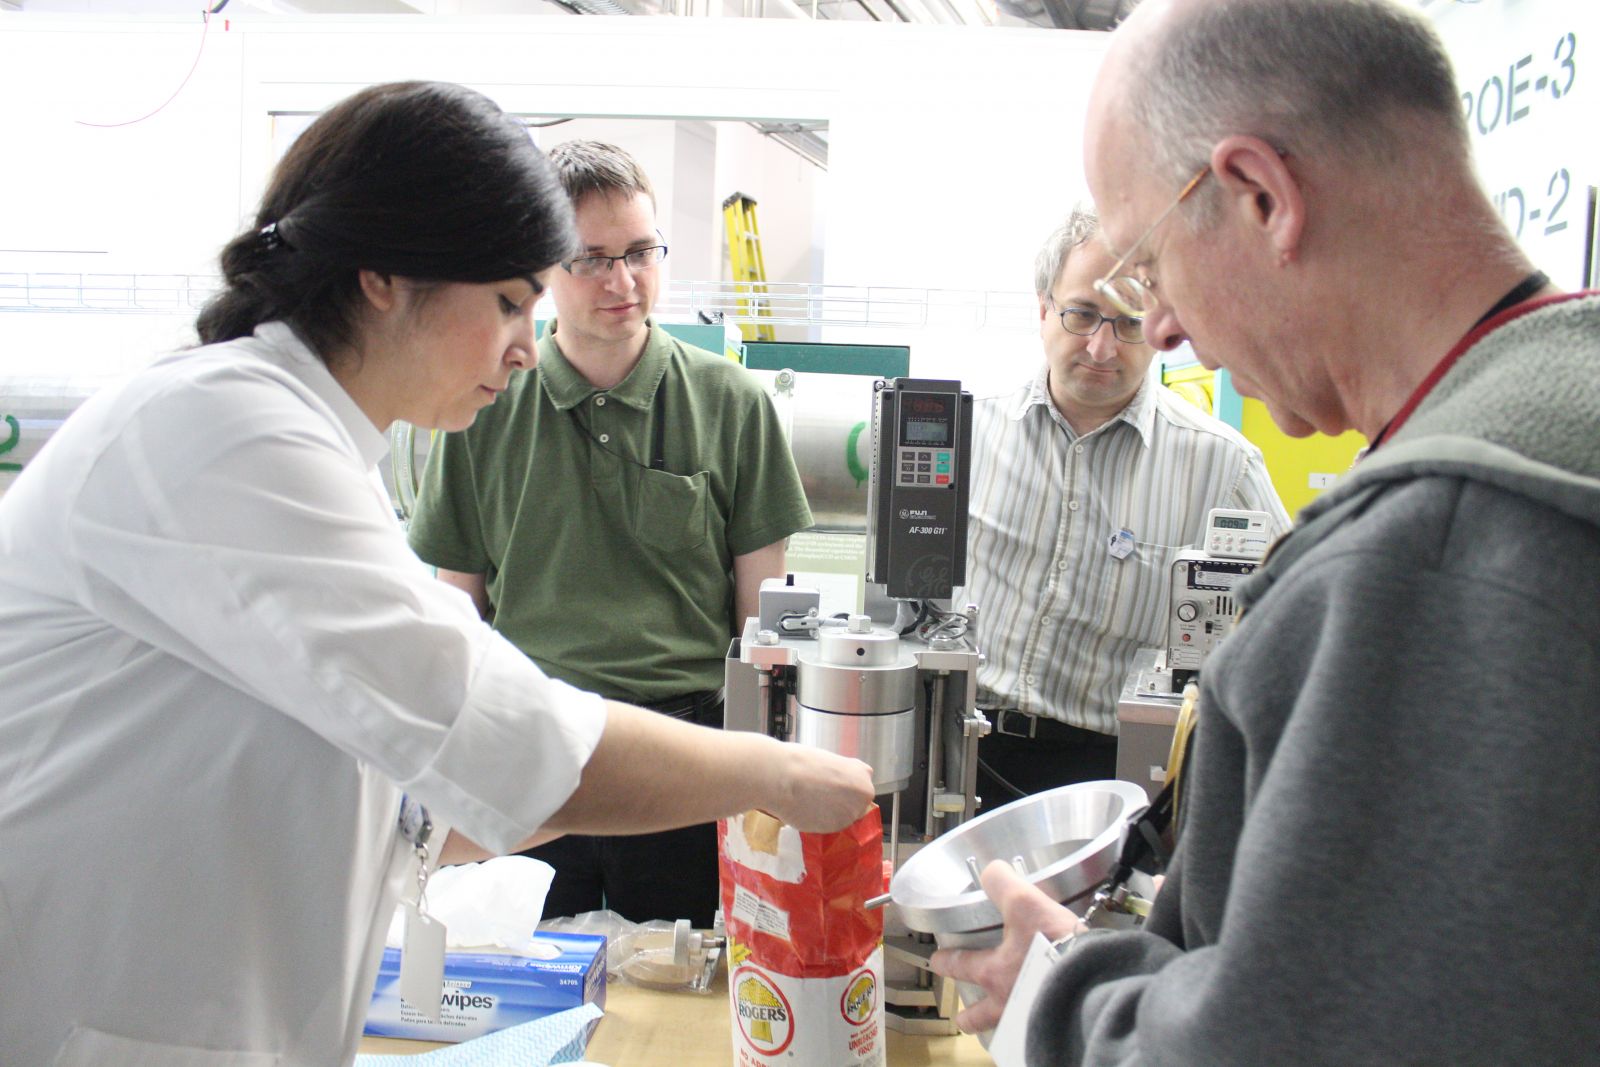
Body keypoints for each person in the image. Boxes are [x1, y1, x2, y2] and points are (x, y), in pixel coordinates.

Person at [0, 82, 872, 1067]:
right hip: (96, 1009)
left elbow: (411, 768)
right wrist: (781, 772)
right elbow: (514, 742)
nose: (520, 343)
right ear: (384, 277)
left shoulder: (325, 453)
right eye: (507, 301)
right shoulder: (223, 433)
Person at [932, 0, 1600, 1063]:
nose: (1160, 328)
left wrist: (1060, 1001)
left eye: (1149, 266)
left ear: (1259, 196)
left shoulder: (1421, 563)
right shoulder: (1562, 419)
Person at [406, 140, 812, 928]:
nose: (623, 281)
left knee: (680, 1002)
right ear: (544, 267)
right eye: (591, 259)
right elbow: (455, 616)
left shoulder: (733, 405)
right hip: (530, 753)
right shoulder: (482, 408)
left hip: (681, 762)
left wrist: (758, 778)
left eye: (640, 253)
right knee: (518, 994)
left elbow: (760, 630)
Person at [965, 206, 1286, 804]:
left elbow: (1294, 625)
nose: (1102, 346)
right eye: (1082, 314)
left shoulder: (1222, 466)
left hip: (1111, 777)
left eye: (1128, 323)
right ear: (1043, 310)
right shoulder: (969, 433)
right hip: (964, 752)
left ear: (1163, 325)